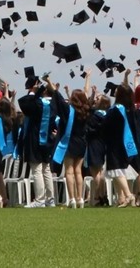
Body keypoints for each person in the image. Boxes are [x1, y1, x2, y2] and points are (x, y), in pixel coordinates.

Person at [17, 75, 60, 208]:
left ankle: (40, 200)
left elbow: (23, 103)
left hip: (34, 139)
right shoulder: (52, 105)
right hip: (47, 140)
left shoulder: (35, 103)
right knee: (46, 169)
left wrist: (33, 91)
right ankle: (50, 199)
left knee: (36, 170)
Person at [54, 77, 92, 208]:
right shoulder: (86, 111)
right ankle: (80, 198)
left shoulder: (69, 111)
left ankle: (72, 199)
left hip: (69, 142)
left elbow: (58, 99)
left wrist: (52, 86)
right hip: (81, 142)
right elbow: (86, 95)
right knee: (78, 171)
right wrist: (88, 79)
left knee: (69, 171)